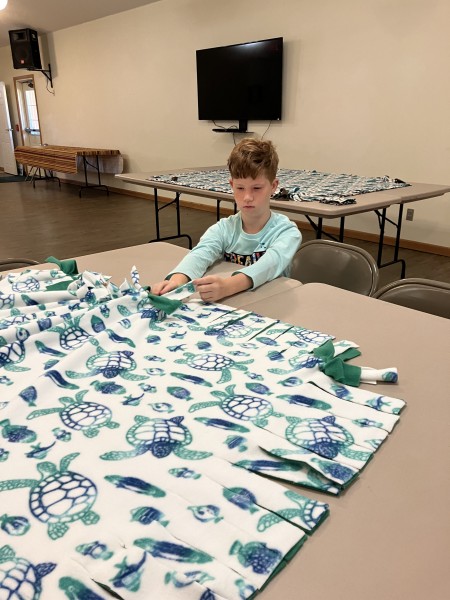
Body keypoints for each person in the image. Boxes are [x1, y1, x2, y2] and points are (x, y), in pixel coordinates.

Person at [151, 138, 302, 302]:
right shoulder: (224, 228)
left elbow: (269, 265)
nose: (248, 197)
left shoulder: (287, 232)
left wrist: (227, 287)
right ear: (231, 185)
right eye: (240, 188)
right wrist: (176, 282)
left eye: (257, 188)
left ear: (273, 186)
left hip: (274, 302)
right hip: (233, 304)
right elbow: (200, 254)